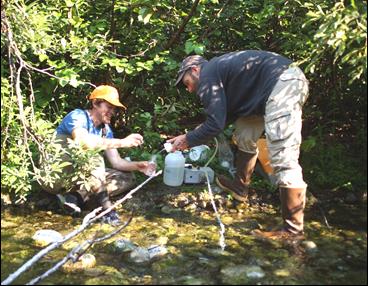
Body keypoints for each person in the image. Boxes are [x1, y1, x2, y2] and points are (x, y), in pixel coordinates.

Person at [168, 51, 309, 239]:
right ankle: (240, 187)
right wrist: (187, 136)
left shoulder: (208, 73)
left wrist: (188, 141)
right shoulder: (220, 74)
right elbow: (220, 120)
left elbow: (215, 125)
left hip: (283, 84)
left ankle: (293, 231)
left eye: (187, 83)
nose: (189, 90)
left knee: (283, 155)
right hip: (272, 89)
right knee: (244, 133)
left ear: (195, 70)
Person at [41, 85, 152, 226]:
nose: (112, 112)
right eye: (109, 107)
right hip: (55, 175)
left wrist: (139, 166)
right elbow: (83, 142)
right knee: (95, 158)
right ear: (95, 103)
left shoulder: (105, 130)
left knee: (127, 177)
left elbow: (117, 162)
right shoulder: (77, 116)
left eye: (114, 109)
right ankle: (107, 211)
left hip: (78, 177)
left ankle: (75, 198)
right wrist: (122, 142)